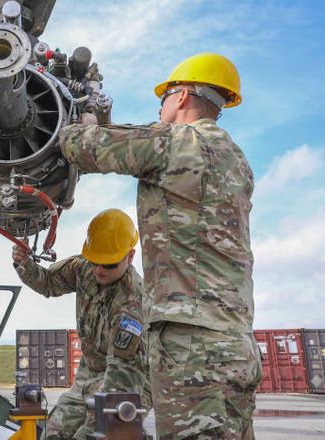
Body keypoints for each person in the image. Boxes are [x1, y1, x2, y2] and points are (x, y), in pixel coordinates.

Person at [59, 53, 262, 439]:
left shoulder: (174, 143)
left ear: (183, 95)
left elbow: (81, 145)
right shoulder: (237, 159)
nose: (161, 105)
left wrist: (83, 118)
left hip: (192, 349)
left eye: (165, 97)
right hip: (237, 345)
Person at [12, 209, 150, 440]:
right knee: (53, 435)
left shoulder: (132, 304)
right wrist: (24, 262)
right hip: (89, 375)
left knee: (97, 435)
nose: (98, 270)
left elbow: (121, 375)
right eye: (95, 261)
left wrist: (107, 427)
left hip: (128, 383)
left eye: (108, 264)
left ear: (130, 256)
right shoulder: (84, 267)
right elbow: (47, 283)